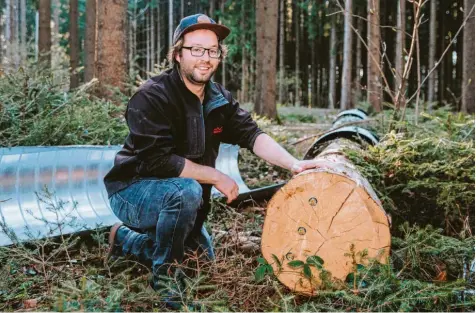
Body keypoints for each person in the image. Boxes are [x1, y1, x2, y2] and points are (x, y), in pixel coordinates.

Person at [103, 13, 322, 305]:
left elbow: (253, 135)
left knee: (201, 262)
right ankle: (166, 279)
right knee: (187, 191)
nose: (205, 57)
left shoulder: (219, 99)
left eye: (212, 50)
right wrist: (216, 176)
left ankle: (125, 241)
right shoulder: (152, 96)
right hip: (132, 191)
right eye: (196, 49)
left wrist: (294, 164)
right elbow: (158, 162)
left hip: (184, 199)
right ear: (178, 54)